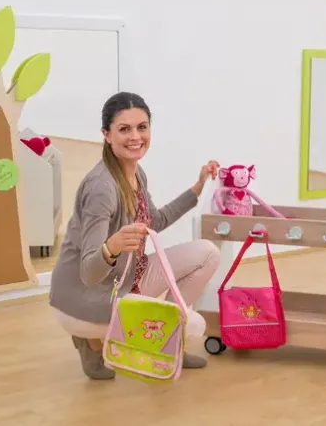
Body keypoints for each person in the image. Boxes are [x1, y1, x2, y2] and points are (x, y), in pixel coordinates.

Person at [49, 91, 222, 380]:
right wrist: (112, 247)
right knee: (187, 322)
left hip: (124, 278)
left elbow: (155, 220)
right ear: (106, 135)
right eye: (124, 129)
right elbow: (89, 272)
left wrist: (198, 186)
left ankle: (167, 347)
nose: (135, 137)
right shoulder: (101, 188)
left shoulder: (136, 173)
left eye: (142, 127)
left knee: (208, 253)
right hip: (85, 295)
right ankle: (91, 338)